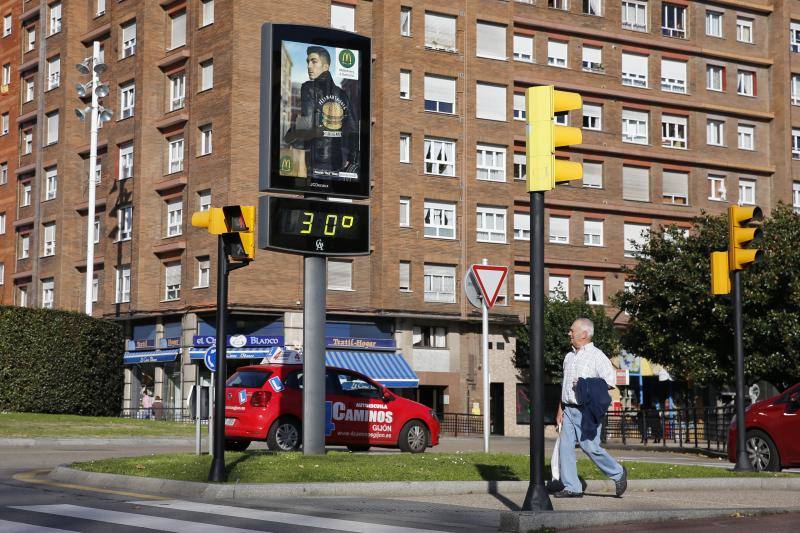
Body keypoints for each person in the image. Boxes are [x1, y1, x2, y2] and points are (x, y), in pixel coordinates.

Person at [554, 318, 628, 498]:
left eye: (572, 330)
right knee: (565, 447)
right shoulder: (569, 356)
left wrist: (585, 385)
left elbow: (609, 382)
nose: (569, 333)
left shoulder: (597, 356)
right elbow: (564, 386)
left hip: (586, 410)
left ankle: (618, 473)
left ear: (585, 334)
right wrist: (560, 409)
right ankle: (572, 487)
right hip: (569, 410)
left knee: (590, 447)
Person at [283, 46, 358, 181]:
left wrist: (289, 136)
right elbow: (353, 129)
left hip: (317, 165)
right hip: (338, 165)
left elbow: (308, 124)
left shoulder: (309, 87)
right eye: (307, 62)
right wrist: (351, 160)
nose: (309, 66)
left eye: (314, 61)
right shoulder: (342, 94)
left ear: (325, 66)